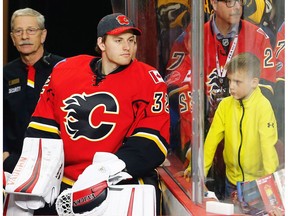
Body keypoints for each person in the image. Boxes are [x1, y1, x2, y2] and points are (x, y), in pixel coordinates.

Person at [5, 13, 170, 215]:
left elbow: (153, 139)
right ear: (101, 43)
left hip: (119, 184)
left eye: (132, 40)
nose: (127, 47)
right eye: (118, 40)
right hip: (64, 182)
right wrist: (38, 175)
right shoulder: (66, 70)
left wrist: (107, 170)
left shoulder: (149, 79)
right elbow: (44, 125)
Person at [204, 0, 277, 199]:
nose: (231, 87)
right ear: (213, 3)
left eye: (237, 82)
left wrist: (270, 183)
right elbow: (211, 141)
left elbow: (268, 147)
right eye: (230, 82)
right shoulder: (226, 106)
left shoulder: (263, 106)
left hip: (257, 183)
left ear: (254, 82)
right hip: (230, 179)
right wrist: (198, 171)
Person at [3, 8, 64, 173]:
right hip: (14, 162)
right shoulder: (5, 74)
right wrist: (4, 154)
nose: (24, 37)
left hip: (55, 162)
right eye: (18, 31)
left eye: (31, 30)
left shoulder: (63, 69)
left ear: (43, 35)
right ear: (12, 38)